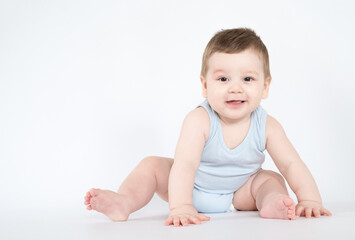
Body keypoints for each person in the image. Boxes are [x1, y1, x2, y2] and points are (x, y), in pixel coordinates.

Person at [84, 28, 332, 227]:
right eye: (223, 79)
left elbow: (291, 164)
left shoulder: (268, 125)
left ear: (265, 86)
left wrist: (310, 199)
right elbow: (186, 165)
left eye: (247, 79)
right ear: (205, 86)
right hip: (192, 189)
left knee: (270, 179)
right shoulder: (199, 119)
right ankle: (124, 202)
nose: (235, 88)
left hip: (241, 193)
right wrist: (181, 205)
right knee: (153, 165)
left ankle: (272, 203)